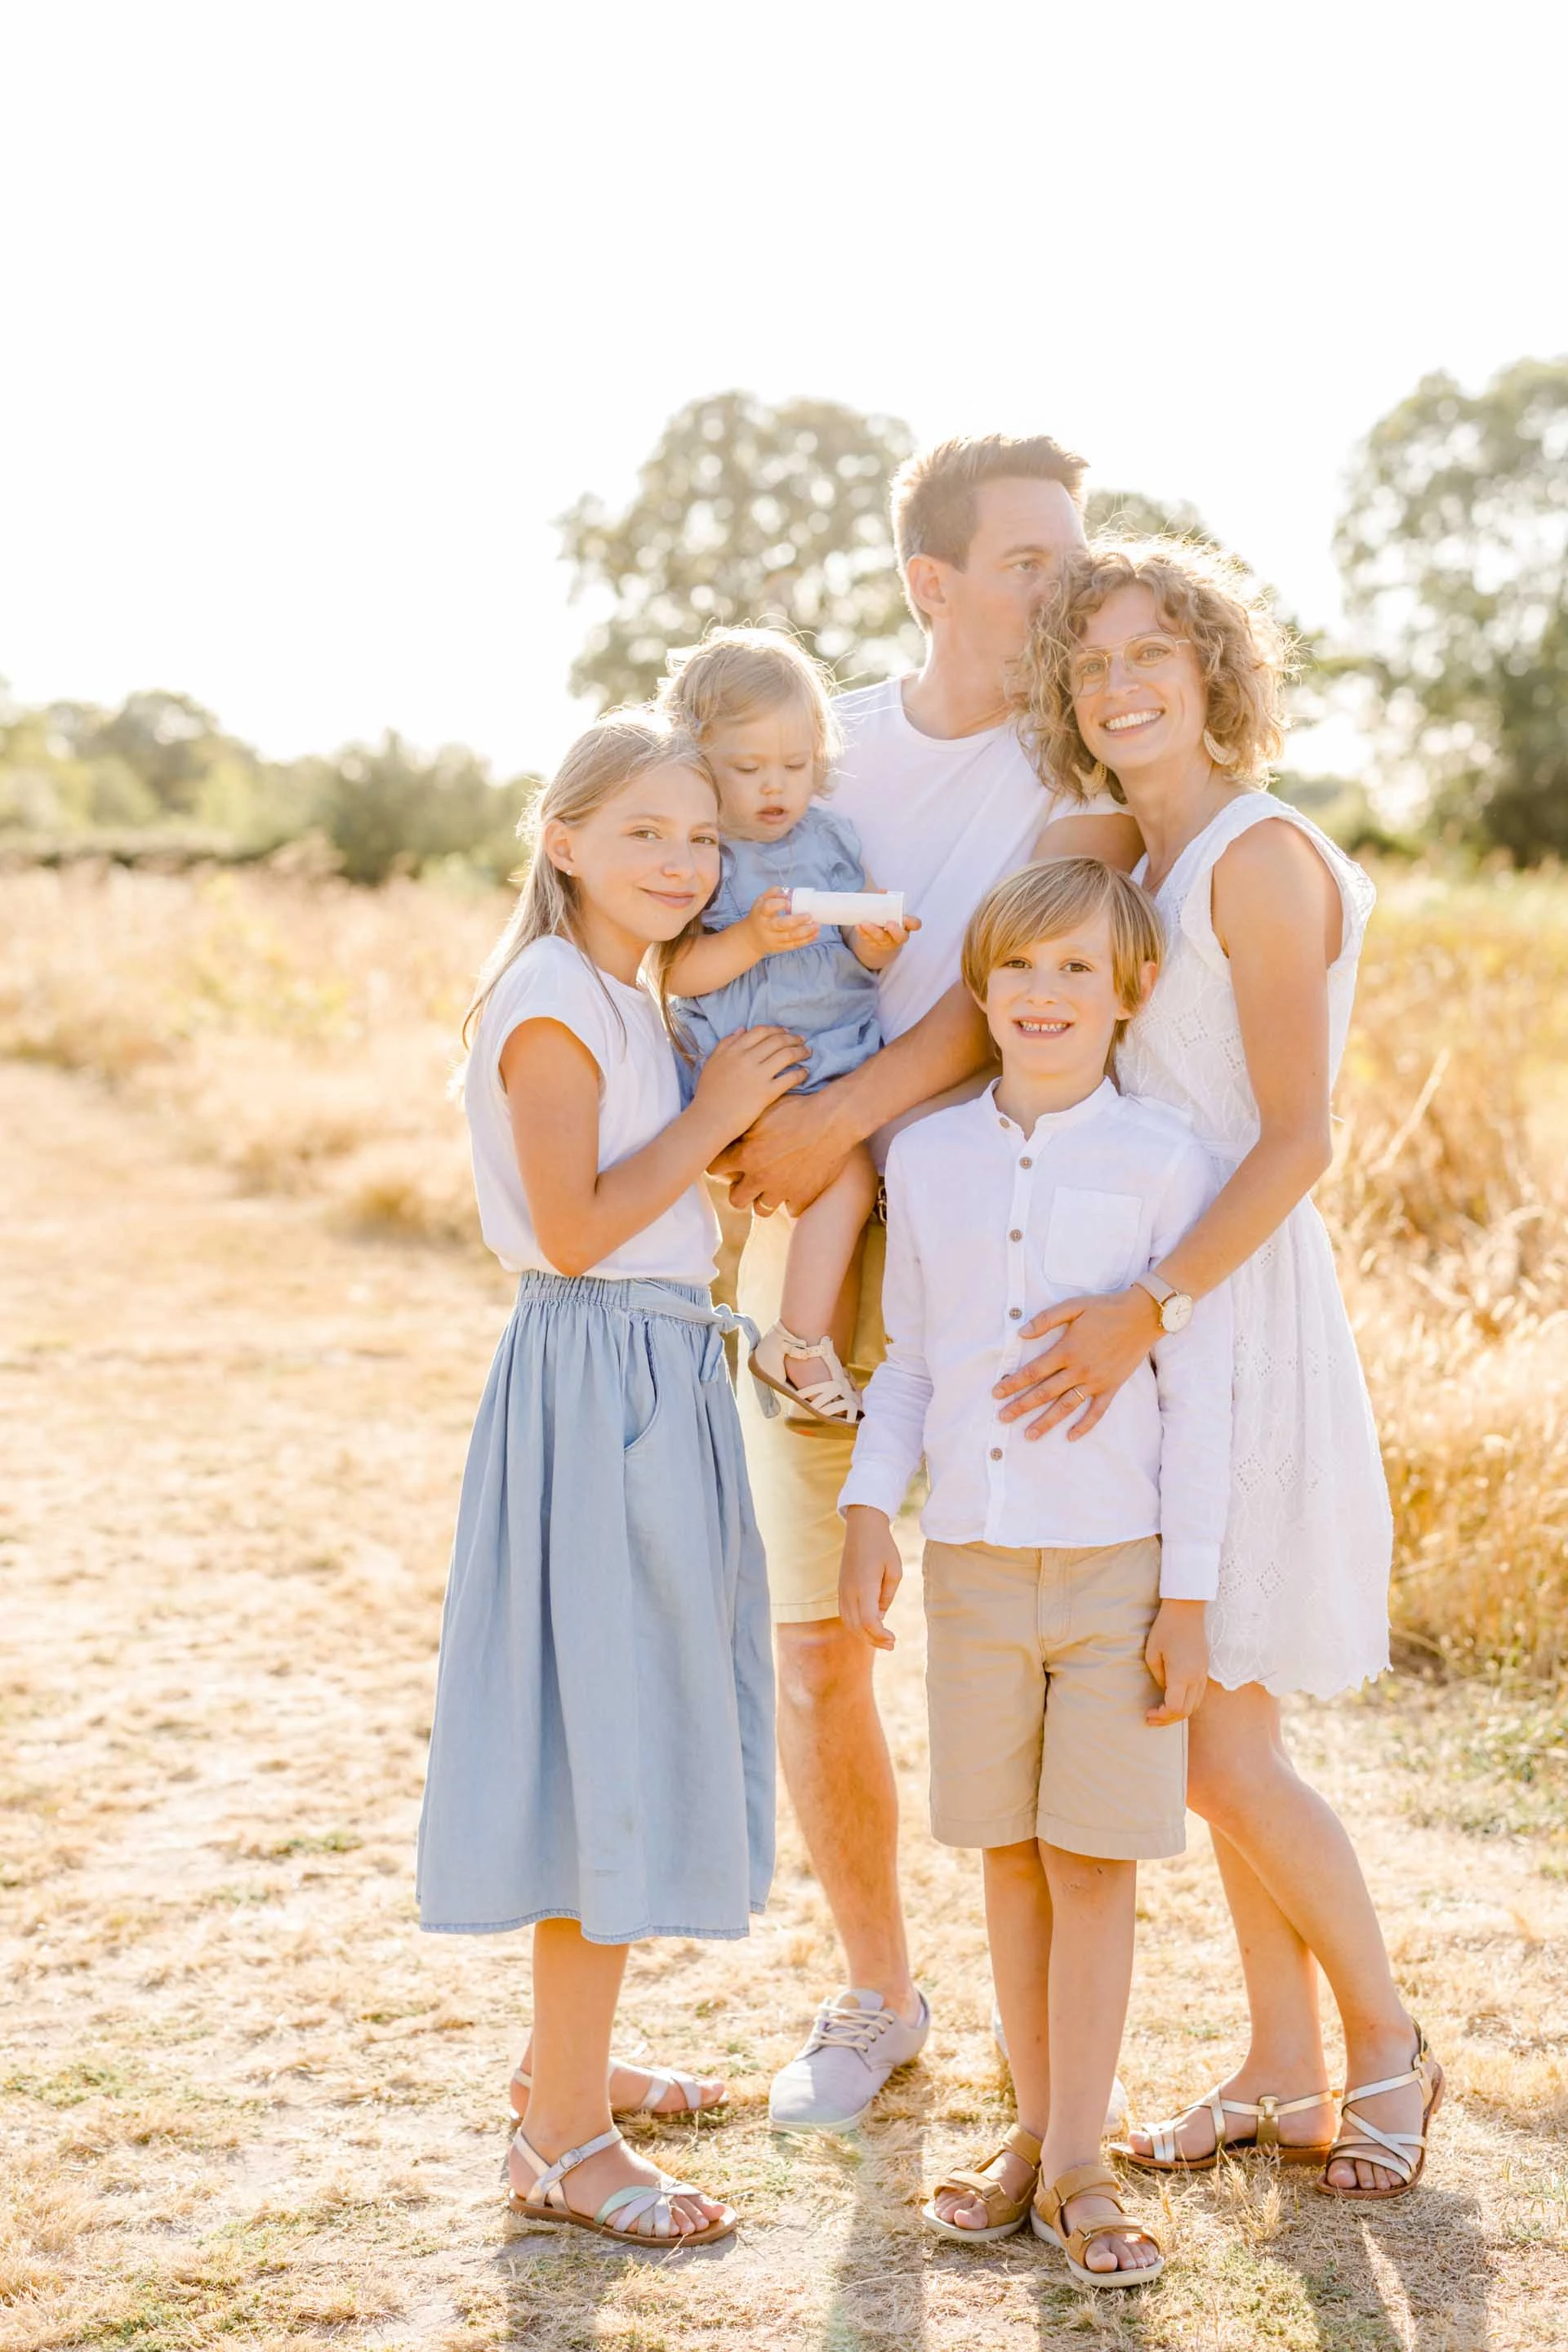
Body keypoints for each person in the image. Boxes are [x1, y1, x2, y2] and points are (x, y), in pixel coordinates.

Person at [710, 435, 1142, 2133]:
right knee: (821, 1648)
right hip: (819, 1236)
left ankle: (1060, 2073)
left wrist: (834, 1124)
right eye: (1033, 559)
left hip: (1004, 1241)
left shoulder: (1077, 764)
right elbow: (698, 889)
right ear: (933, 581)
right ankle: (881, 1996)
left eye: (1074, 552)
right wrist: (745, 1135)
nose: (1067, 585)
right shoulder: (837, 749)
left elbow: (995, 990)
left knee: (1016, 1645)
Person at [1004, 541, 1444, 2200]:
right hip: (1163, 1307)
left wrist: (1149, 1310)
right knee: (1205, 1705)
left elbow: (1300, 1139)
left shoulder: (1257, 860)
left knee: (1212, 1740)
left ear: (1213, 669)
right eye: (1090, 662)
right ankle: (1277, 2068)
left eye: (1153, 654)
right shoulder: (1150, 850)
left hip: (1228, 1305)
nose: (1122, 685)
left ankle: (1388, 2042)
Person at [416, 710, 806, 2244]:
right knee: (607, 1737)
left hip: (656, 1372)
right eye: (646, 829)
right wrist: (716, 1124)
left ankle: (566, 2065)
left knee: (636, 1713)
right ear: (562, 838)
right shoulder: (551, 1004)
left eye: (703, 837)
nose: (683, 860)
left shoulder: (627, 994)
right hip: (597, 1384)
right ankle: (563, 2143)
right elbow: (575, 1231)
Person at [839, 858, 1232, 2281]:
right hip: (976, 1570)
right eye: (1019, 968)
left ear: (1129, 993)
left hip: (1118, 1570)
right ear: (982, 989)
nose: (1045, 994)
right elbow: (915, 1363)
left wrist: (1188, 1595)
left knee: (1092, 1861)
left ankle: (1082, 2160)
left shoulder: (1168, 1161)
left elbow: (1201, 1396)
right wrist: (874, 1512)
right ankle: (1032, 2132)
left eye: (1078, 970)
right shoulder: (926, 1159)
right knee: (1007, 1852)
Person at [663, 628, 918, 1426]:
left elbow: (864, 947)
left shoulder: (833, 839)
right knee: (841, 1177)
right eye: (748, 769)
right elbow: (673, 970)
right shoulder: (702, 851)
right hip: (754, 1061)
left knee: (859, 1176)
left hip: (835, 1054)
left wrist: (875, 945)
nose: (775, 787)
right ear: (700, 765)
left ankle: (812, 1357)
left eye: (795, 766)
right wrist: (748, 940)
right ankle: (796, 1346)